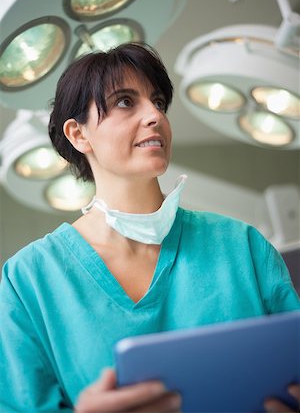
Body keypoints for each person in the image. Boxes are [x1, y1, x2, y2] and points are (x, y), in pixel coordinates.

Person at [0, 43, 299, 413]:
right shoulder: (28, 281)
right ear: (79, 135)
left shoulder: (243, 247)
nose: (154, 115)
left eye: (158, 101)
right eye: (125, 101)